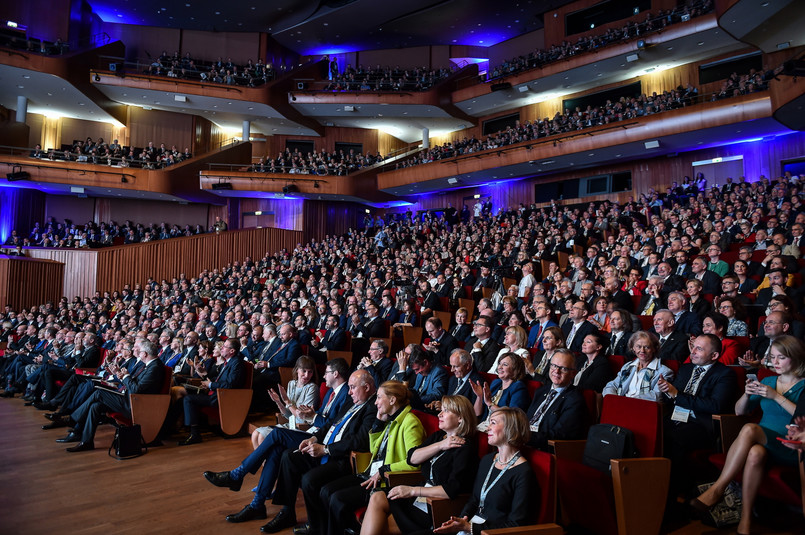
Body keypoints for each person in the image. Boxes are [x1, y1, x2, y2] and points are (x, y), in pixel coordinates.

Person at [203, 359, 352, 527]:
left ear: (335, 374)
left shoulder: (346, 393)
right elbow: (322, 418)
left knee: (276, 435)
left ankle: (237, 475)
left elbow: (333, 426)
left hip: (320, 440)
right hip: (313, 433)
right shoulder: (332, 392)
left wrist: (313, 416)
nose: (323, 375)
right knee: (276, 450)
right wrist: (310, 414)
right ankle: (256, 504)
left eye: (326, 372)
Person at [691, 335, 805, 535]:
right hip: (764, 445)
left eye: (782, 358)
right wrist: (746, 393)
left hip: (791, 447)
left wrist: (775, 396)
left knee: (750, 429)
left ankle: (718, 489)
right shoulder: (768, 380)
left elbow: (801, 417)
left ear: (795, 358)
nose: (775, 362)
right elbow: (739, 412)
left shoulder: (803, 385)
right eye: (773, 357)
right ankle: (745, 523)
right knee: (755, 453)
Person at [360, 395, 479, 535]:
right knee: (377, 496)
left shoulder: (464, 448)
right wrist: (441, 445)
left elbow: (451, 489)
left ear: (460, 418)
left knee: (381, 528)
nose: (440, 414)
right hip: (419, 497)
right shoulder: (439, 437)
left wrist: (411, 490)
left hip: (436, 505)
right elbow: (412, 458)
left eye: (446, 411)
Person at [318, 380, 426, 535]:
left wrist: (384, 470)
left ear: (392, 400)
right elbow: (373, 449)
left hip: (386, 482)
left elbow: (414, 462)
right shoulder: (390, 418)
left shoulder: (410, 423)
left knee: (338, 499)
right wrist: (377, 424)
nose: (375, 403)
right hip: (370, 473)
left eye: (379, 397)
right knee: (325, 491)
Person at [432, 406, 538, 534]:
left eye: (493, 423)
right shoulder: (488, 460)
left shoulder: (523, 472)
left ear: (511, 428)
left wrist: (469, 528)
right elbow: (475, 499)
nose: (487, 428)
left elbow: (517, 523)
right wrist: (461, 520)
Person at [658, 334, 738, 496]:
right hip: (676, 417)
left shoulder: (725, 374)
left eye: (699, 349)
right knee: (650, 432)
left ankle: (673, 492)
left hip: (701, 424)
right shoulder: (686, 368)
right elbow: (674, 397)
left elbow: (715, 406)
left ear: (714, 355)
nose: (692, 351)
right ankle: (651, 485)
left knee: (674, 439)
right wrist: (667, 391)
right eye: (693, 346)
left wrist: (676, 395)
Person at [56, 340, 166, 452]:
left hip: (136, 404)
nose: (136, 352)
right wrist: (121, 375)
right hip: (129, 398)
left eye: (140, 351)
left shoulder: (155, 367)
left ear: (145, 354)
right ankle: (86, 441)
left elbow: (136, 389)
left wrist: (126, 377)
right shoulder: (149, 365)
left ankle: (73, 419)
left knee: (99, 392)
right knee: (96, 406)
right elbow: (135, 385)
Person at [178, 338, 248, 445]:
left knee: (189, 399)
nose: (222, 348)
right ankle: (183, 428)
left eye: (224, 347)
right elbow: (220, 380)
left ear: (232, 351)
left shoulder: (237, 363)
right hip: (217, 393)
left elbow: (230, 384)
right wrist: (207, 381)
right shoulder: (229, 362)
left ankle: (194, 434)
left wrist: (211, 385)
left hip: (224, 397)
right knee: (186, 394)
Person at [525, 349, 589, 450]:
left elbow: (558, 435)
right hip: (525, 441)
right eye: (554, 365)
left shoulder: (575, 400)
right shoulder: (541, 391)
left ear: (573, 373)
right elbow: (527, 419)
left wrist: (525, 437)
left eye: (563, 368)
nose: (556, 371)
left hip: (542, 448)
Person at [251, 355, 318, 449]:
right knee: (255, 434)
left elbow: (301, 417)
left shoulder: (312, 388)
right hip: (290, 424)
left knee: (262, 436)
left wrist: (287, 401)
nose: (307, 375)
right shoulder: (291, 384)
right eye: (304, 371)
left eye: (310, 372)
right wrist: (278, 401)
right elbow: (288, 414)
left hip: (301, 427)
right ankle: (261, 463)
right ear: (297, 370)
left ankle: (266, 463)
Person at [603, 330, 675, 401]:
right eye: (638, 346)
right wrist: (613, 399)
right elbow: (611, 385)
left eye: (647, 347)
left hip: (643, 408)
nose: (642, 351)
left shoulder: (664, 372)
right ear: (633, 348)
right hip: (620, 404)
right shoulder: (627, 366)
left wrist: (628, 401)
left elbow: (656, 396)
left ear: (654, 349)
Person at [472, 352, 530, 422]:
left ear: (515, 369)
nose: (499, 367)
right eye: (499, 364)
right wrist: (480, 397)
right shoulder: (496, 383)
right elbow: (477, 413)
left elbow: (512, 417)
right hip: (484, 424)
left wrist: (490, 404)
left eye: (505, 365)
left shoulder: (518, 387)